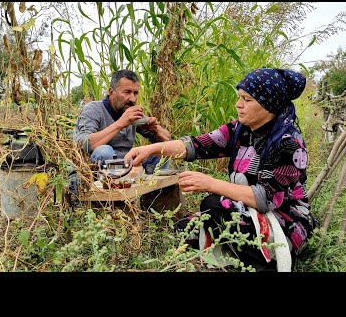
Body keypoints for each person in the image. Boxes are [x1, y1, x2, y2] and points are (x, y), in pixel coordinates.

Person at [124, 68, 318, 271]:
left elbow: (264, 199)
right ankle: (238, 251)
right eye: (239, 97)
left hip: (282, 222)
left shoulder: (288, 145)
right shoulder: (240, 130)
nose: (238, 104)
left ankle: (262, 264)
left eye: (247, 99)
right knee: (184, 228)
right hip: (247, 212)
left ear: (269, 104)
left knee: (213, 205)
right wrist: (150, 149)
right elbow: (195, 145)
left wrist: (209, 183)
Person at [74, 68, 172, 173]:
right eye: (127, 92)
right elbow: (82, 144)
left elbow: (168, 140)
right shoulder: (93, 109)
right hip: (101, 171)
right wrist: (121, 123)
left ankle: (155, 188)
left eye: (135, 93)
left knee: (163, 149)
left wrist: (155, 129)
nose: (133, 99)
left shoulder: (132, 113)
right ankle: (113, 185)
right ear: (111, 92)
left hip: (128, 165)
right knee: (103, 151)